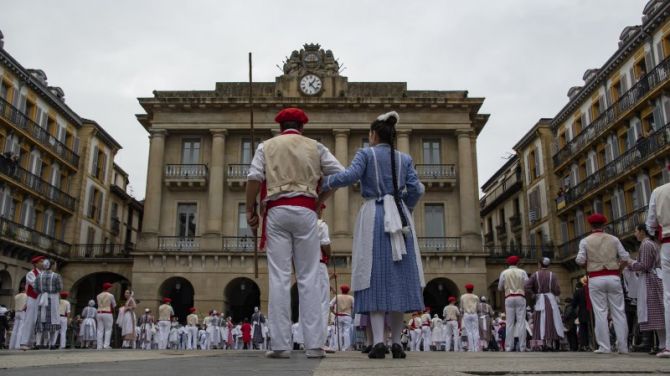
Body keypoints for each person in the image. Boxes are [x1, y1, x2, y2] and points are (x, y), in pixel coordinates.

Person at [319, 111, 425, 360]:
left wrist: (322, 182)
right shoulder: (404, 158)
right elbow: (417, 189)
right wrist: (405, 206)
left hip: (375, 215)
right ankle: (397, 342)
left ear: (374, 135)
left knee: (373, 276)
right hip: (400, 218)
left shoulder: (365, 153)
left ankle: (377, 341)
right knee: (399, 278)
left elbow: (349, 176)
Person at [246, 107, 344, 359]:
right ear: (302, 127)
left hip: (277, 212)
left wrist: (250, 209)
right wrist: (321, 197)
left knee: (279, 277)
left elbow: (254, 178)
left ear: (281, 127)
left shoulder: (266, 146)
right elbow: (340, 174)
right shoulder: (315, 147)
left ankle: (280, 344)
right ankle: (313, 345)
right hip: (306, 212)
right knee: (309, 276)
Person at [575, 213, 630, 354]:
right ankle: (623, 346)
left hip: (595, 278)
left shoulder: (585, 241)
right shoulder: (614, 239)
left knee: (600, 313)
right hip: (613, 276)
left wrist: (588, 266)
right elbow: (625, 257)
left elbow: (580, 260)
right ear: (604, 225)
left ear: (590, 225)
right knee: (619, 312)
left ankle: (604, 347)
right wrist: (619, 269)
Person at [628, 224, 666, 354]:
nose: (635, 234)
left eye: (636, 231)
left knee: (655, 312)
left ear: (642, 232)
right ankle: (662, 344)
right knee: (658, 313)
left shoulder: (646, 245)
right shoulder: (653, 244)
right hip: (655, 278)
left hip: (651, 280)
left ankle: (663, 344)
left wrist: (631, 263)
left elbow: (644, 265)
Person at [646, 167, 670, 358]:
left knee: (669, 296)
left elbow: (651, 224)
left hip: (668, 244)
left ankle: (669, 345)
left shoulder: (658, 191)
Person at [525, 257, 564, 351]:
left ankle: (542, 344)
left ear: (539, 264)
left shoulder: (535, 275)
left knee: (540, 321)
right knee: (551, 320)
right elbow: (557, 290)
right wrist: (554, 293)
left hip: (540, 300)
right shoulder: (552, 275)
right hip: (550, 300)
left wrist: (534, 294)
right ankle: (550, 343)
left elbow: (526, 286)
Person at [498, 255, 528, 352]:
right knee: (521, 322)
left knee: (509, 323)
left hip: (509, 297)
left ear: (508, 262)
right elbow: (527, 284)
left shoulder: (504, 273)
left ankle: (508, 347)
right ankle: (522, 347)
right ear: (518, 262)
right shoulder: (522, 272)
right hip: (520, 296)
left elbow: (499, 287)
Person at [33, 258, 63, 349]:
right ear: (52, 265)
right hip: (53, 298)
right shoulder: (56, 276)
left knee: (41, 319)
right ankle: (52, 344)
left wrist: (43, 291)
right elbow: (60, 288)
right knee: (54, 319)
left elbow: (35, 289)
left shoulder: (39, 275)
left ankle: (38, 343)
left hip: (41, 299)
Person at [316, 205, 333, 351]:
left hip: (305, 268)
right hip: (319, 265)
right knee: (322, 302)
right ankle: (319, 341)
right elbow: (325, 243)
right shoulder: (321, 225)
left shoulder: (303, 225)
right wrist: (330, 253)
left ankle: (304, 339)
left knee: (306, 303)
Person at [19, 255, 44, 350]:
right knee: (29, 320)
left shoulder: (42, 273)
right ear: (36, 263)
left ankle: (32, 342)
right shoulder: (31, 273)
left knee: (36, 321)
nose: (43, 263)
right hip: (33, 298)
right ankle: (24, 342)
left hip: (40, 299)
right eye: (41, 261)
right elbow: (35, 285)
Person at [330, 284, 354, 351]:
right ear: (348, 291)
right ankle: (346, 347)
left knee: (338, 332)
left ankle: (337, 347)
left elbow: (330, 305)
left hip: (338, 315)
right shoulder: (351, 297)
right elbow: (354, 307)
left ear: (341, 290)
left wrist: (334, 312)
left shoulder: (338, 296)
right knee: (346, 331)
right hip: (347, 316)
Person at [460, 284, 480, 352]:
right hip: (474, 314)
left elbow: (461, 307)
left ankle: (471, 348)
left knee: (469, 331)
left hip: (466, 314)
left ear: (466, 289)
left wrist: (462, 313)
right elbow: (478, 306)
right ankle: (476, 348)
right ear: (472, 289)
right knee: (475, 331)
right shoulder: (476, 297)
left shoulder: (463, 297)